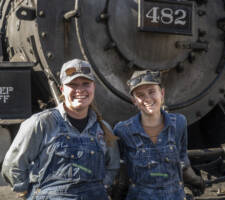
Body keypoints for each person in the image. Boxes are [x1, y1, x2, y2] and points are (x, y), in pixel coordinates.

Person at [1, 58, 120, 200]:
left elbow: (112, 167)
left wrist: (101, 188)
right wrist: (28, 192)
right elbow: (13, 165)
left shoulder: (103, 128)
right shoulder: (41, 123)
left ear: (93, 87)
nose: (80, 90)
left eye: (86, 84)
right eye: (73, 85)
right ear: (63, 89)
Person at [113, 70, 205, 200]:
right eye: (140, 95)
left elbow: (182, 162)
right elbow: (122, 173)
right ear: (134, 100)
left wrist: (196, 181)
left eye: (152, 92)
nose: (147, 99)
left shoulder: (179, 123)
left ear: (162, 93)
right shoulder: (123, 130)